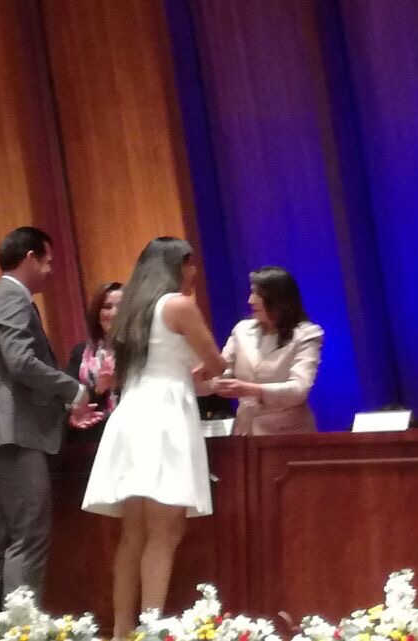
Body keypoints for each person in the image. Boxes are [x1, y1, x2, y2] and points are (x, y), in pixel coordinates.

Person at [81, 237, 226, 639]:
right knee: (165, 533)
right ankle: (149, 630)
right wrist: (207, 370)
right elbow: (216, 362)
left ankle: (122, 631)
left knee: (134, 536)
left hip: (131, 414)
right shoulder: (178, 305)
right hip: (164, 419)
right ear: (176, 265)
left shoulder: (132, 311)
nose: (193, 271)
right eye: (190, 263)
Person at [0, 226, 101, 620]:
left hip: (4, 431)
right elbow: (21, 362)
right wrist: (73, 390)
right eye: (48, 261)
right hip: (14, 433)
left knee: (5, 536)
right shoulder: (13, 298)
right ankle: (21, 628)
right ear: (29, 257)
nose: (51, 270)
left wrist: (64, 407)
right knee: (29, 535)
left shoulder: (2, 297)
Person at [211, 266, 324, 434]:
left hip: (288, 434)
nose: (250, 300)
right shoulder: (242, 330)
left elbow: (299, 389)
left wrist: (253, 389)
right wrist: (210, 379)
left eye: (258, 294)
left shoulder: (306, 334)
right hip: (246, 432)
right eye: (251, 293)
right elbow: (222, 371)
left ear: (279, 299)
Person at [65, 281, 124, 444]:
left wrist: (120, 382)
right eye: (107, 307)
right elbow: (69, 400)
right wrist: (99, 389)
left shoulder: (141, 350)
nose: (114, 313)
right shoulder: (80, 353)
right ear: (97, 314)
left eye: (121, 307)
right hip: (95, 439)